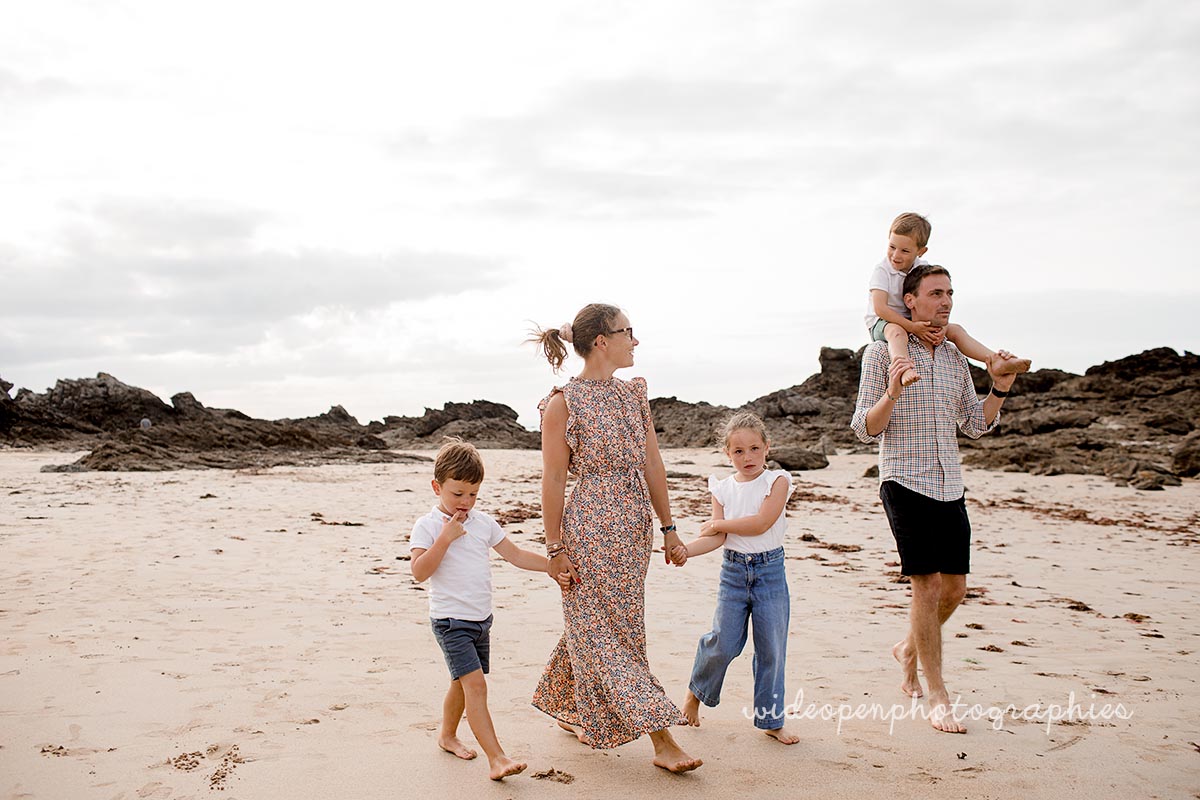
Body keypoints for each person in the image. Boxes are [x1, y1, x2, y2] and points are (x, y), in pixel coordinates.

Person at [528, 303, 702, 773]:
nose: (636, 340)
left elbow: (653, 466)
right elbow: (553, 481)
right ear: (602, 341)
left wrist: (668, 528)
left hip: (632, 531)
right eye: (629, 332)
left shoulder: (633, 396)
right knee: (608, 634)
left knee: (607, 626)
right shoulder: (564, 403)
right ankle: (661, 739)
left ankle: (570, 705)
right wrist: (554, 548)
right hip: (586, 531)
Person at [851, 264, 1017, 734]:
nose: (945, 302)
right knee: (925, 586)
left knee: (956, 589)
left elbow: (976, 424)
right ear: (911, 301)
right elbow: (864, 429)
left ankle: (908, 649)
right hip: (903, 480)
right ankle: (938, 694)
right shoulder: (882, 353)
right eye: (936, 294)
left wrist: (1000, 386)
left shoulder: (956, 359)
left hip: (950, 484)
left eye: (949, 294)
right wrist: (892, 393)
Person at [409, 438, 567, 780]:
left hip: (482, 621)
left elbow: (516, 555)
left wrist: (552, 567)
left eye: (473, 495)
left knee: (461, 684)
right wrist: (445, 538)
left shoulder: (483, 523)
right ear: (437, 487)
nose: (465, 503)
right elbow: (420, 572)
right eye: (457, 494)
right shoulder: (428, 525)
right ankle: (497, 758)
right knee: (476, 687)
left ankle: (447, 735)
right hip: (451, 623)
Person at [671, 411, 799, 745]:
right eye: (739, 451)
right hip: (733, 573)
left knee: (771, 648)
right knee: (722, 642)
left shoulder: (778, 481)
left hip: (770, 572)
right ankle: (694, 695)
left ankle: (771, 720)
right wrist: (686, 550)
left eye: (755, 448)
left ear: (767, 448)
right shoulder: (723, 487)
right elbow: (716, 539)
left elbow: (760, 523)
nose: (748, 457)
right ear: (727, 454)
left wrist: (719, 525)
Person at [865, 212, 1030, 387]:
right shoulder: (882, 271)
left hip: (911, 320)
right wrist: (912, 327)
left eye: (905, 251)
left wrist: (942, 328)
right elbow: (880, 308)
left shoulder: (922, 267)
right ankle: (903, 368)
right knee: (897, 332)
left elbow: (931, 295)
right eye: (892, 247)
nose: (895, 255)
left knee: (956, 330)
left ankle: (995, 360)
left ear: (920, 251)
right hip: (883, 322)